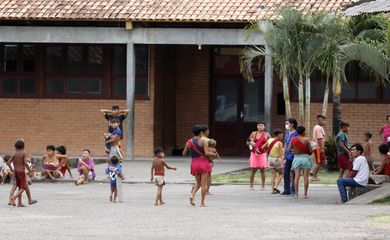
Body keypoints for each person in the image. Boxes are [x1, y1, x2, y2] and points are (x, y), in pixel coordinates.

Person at [183, 125, 216, 207]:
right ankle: (202, 203)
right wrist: (214, 154)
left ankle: (192, 195)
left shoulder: (189, 142)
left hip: (194, 163)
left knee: (198, 183)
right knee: (203, 183)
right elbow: (206, 153)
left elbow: (184, 153)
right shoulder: (203, 141)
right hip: (203, 163)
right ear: (201, 132)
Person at [289, 126, 313, 199]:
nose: (305, 132)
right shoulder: (307, 140)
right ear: (302, 132)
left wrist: (295, 151)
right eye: (305, 131)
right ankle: (305, 194)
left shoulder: (293, 139)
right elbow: (311, 151)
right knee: (306, 177)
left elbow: (289, 149)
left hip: (297, 158)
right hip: (305, 159)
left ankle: (296, 194)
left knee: (296, 177)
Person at [246, 121, 270, 191]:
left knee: (263, 170)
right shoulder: (253, 133)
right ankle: (251, 186)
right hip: (254, 154)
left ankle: (263, 186)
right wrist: (250, 143)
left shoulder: (267, 134)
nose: (260, 126)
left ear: (264, 126)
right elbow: (247, 142)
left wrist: (267, 147)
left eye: (262, 125)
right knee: (253, 170)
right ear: (257, 126)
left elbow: (270, 143)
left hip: (262, 154)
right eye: (259, 125)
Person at [7, 140, 32, 207]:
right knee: (23, 187)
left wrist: (12, 170)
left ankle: (19, 203)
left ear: (15, 146)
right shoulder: (23, 153)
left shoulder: (14, 154)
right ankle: (14, 197)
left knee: (19, 186)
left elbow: (8, 163)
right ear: (23, 146)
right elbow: (25, 163)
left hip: (16, 172)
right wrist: (30, 170)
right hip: (21, 172)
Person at [282, 118, 298, 196]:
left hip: (295, 155)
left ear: (292, 124)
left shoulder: (296, 133)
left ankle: (293, 189)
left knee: (295, 173)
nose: (286, 125)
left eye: (288, 123)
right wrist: (284, 154)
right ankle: (286, 189)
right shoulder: (287, 132)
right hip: (288, 156)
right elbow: (286, 143)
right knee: (286, 172)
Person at [265, 129, 284, 194]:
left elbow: (263, 147)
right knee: (281, 173)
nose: (282, 136)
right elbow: (281, 154)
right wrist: (282, 161)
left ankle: (272, 190)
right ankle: (275, 186)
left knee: (273, 175)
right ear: (279, 135)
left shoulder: (269, 140)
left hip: (270, 158)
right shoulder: (279, 143)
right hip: (276, 159)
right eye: (282, 135)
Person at [311, 115, 327, 181]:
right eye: (324, 120)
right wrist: (322, 148)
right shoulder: (319, 128)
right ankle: (314, 176)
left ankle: (313, 172)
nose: (324, 122)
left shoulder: (318, 127)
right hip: (318, 148)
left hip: (318, 147)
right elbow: (319, 139)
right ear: (320, 120)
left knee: (323, 161)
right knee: (320, 162)